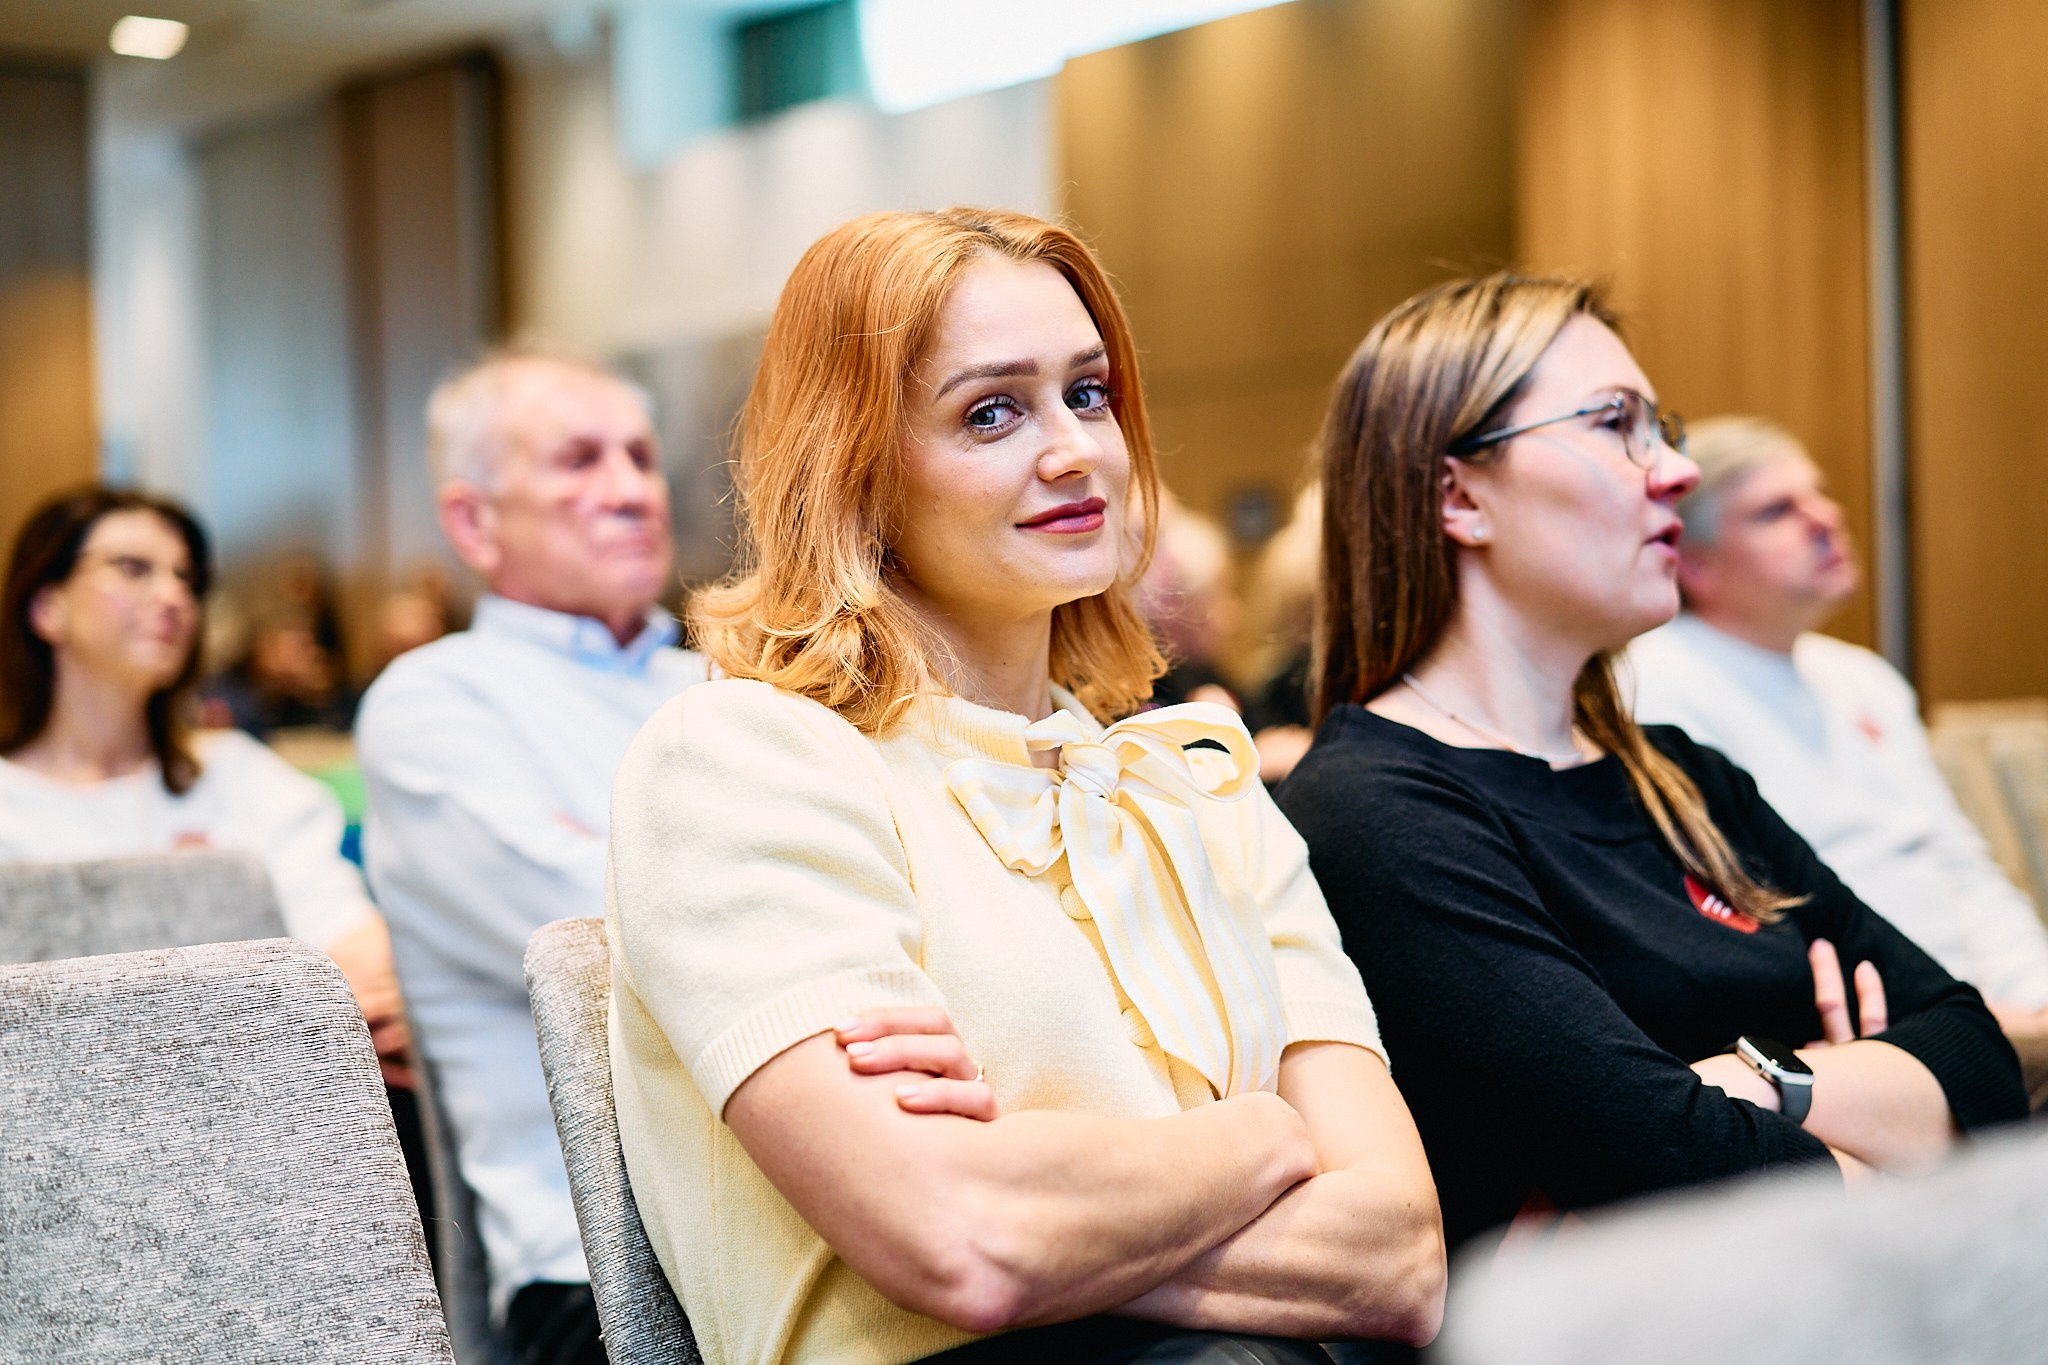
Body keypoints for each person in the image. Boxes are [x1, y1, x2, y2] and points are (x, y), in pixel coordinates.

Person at [605, 208, 1444, 1365]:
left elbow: (1397, 1255)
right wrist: (1261, 1137)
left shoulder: (1195, 781)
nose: (1075, 451)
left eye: (1087, 394)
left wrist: (1045, 1190)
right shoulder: (740, 762)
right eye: (990, 412)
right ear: (851, 464)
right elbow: (963, 1242)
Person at [1276, 274, 2027, 1257]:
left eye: (1658, 428)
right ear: (1458, 495)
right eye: (1614, 425)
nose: (1672, 470)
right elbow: (1662, 1162)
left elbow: (1977, 1063)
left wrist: (1753, 1082)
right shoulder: (1374, 806)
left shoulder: (1683, 777)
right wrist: (1864, 1107)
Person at [355, 350, 706, 1365]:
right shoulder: (433, 701)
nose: (631, 489)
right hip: (597, 1268)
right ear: (473, 522)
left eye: (640, 458)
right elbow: (625, 934)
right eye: (579, 461)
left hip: (818, 1221)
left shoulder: (724, 676)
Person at [1626, 416, 2048, 1104]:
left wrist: (2034, 994)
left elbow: (1957, 860)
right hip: (1865, 1027)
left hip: (1984, 1009)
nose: (1826, 518)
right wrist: (1959, 1016)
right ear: (1693, 561)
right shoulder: (1653, 689)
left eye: (1817, 494)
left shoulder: (1862, 677)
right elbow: (1749, 921)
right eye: (1775, 511)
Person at [0, 486, 409, 1081]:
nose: (173, 597)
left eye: (186, 578)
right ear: (46, 606)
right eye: (132, 569)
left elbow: (355, 955)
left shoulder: (239, 775)